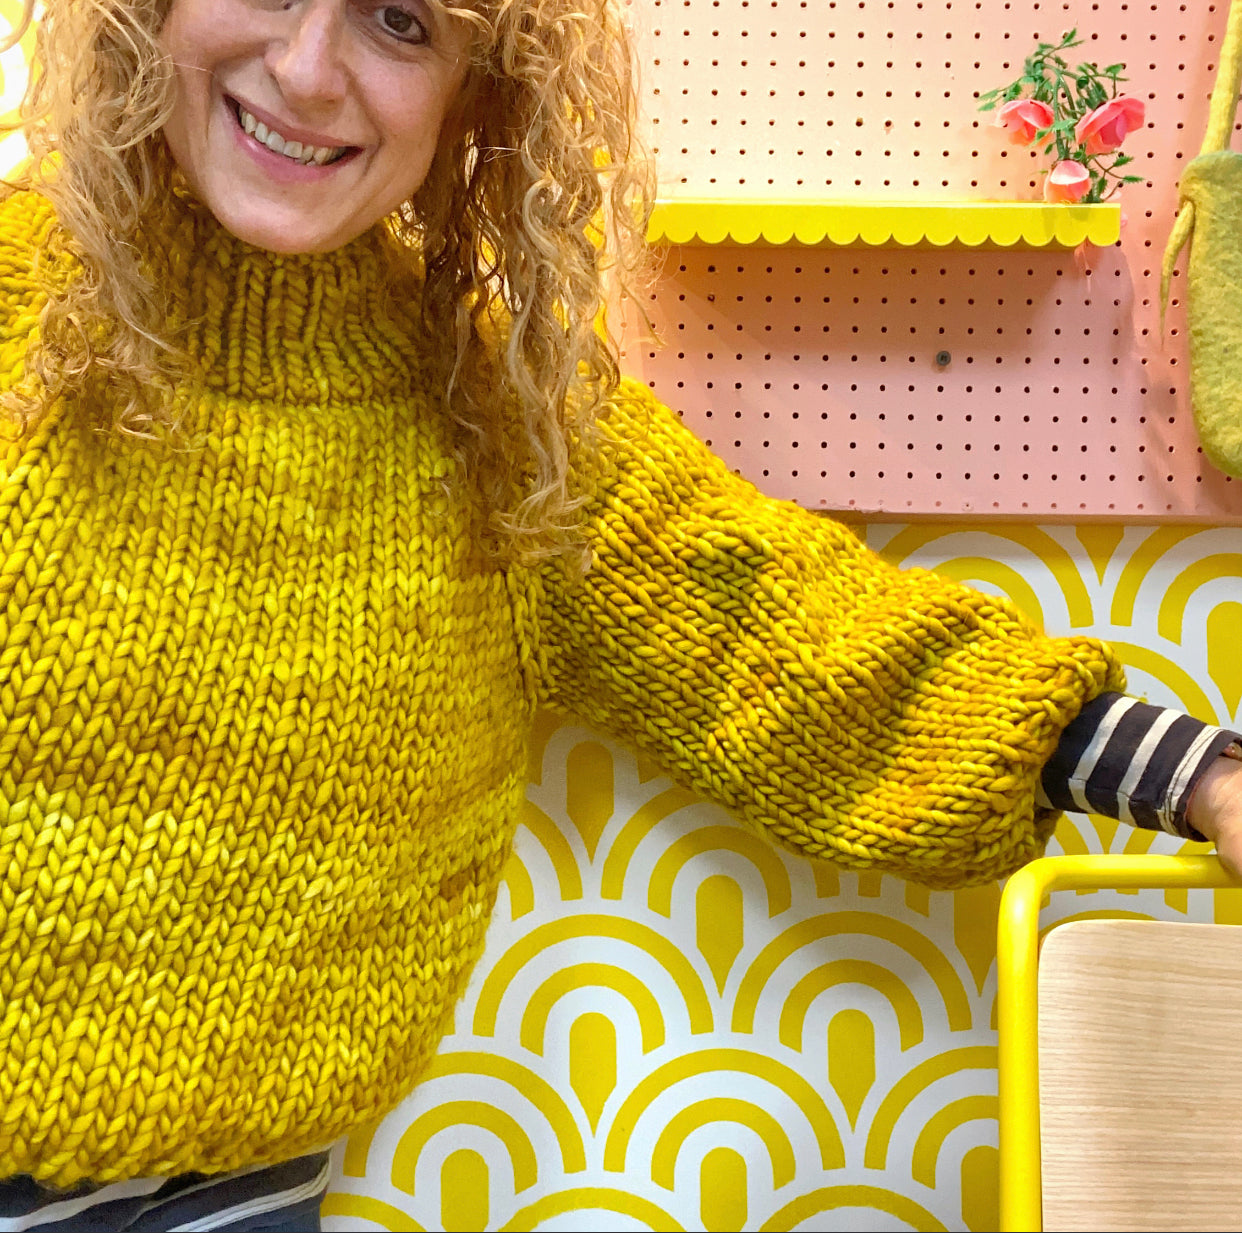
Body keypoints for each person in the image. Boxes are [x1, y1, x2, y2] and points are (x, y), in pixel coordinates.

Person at [0, 1, 1238, 1229]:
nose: (308, 70)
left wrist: (1201, 777)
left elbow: (790, 639)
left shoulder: (498, 419)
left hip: (234, 1199)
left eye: (400, 22)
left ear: (474, 95)